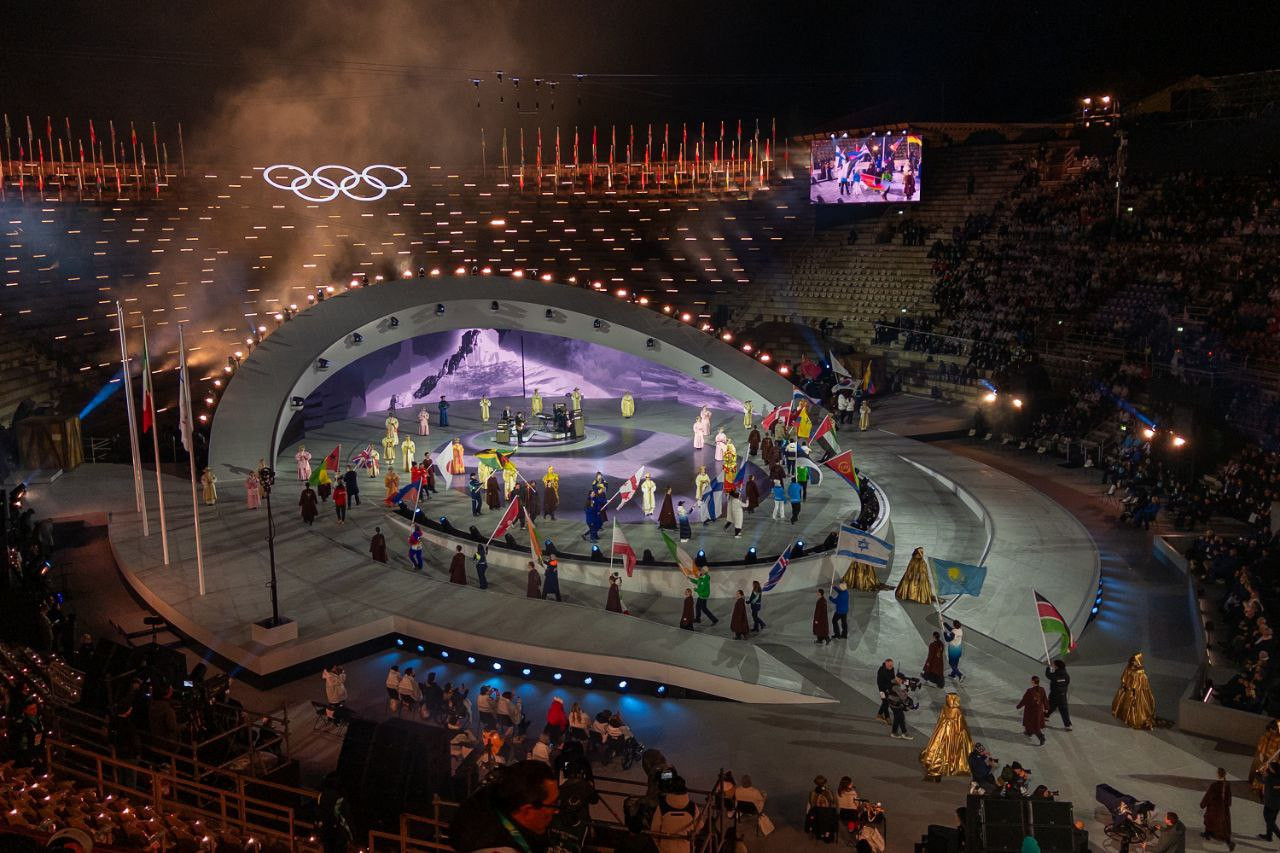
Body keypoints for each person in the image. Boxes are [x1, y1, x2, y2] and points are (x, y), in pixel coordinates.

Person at [449, 760, 560, 853]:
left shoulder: (496, 808)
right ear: (528, 811)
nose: (556, 811)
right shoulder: (496, 847)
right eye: (553, 804)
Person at [920, 693, 974, 781]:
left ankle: (940, 762)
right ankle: (952, 762)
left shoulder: (945, 707)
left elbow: (941, 718)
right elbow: (960, 723)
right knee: (955, 746)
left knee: (941, 744)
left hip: (944, 728)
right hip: (954, 730)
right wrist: (962, 732)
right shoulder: (957, 710)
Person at [1111, 652, 1155, 730]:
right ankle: (1125, 716)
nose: (1134, 662)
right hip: (1128, 689)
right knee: (1125, 703)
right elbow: (1125, 678)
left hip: (1136, 691)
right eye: (1133, 660)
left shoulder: (1140, 672)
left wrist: (1135, 689)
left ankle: (1133, 719)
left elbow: (1142, 683)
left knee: (1135, 706)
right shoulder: (1129, 668)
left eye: (1135, 661)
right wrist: (1125, 686)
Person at [316, 772, 355, 853]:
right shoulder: (340, 799)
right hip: (337, 835)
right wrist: (351, 837)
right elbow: (344, 819)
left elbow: (319, 813)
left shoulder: (321, 795)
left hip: (325, 831)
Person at [1199, 767, 1233, 850]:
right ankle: (1212, 834)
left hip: (1214, 807)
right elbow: (1229, 796)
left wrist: (1202, 804)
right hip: (1223, 807)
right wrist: (1227, 805)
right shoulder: (1227, 784)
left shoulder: (1215, 785)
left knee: (1209, 820)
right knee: (1222, 821)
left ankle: (1207, 834)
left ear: (1218, 775)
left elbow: (1208, 796)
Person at [1017, 676, 1048, 745]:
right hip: (1039, 710)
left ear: (1033, 682)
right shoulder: (1042, 689)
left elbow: (1024, 700)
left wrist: (1019, 706)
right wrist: (1046, 708)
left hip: (1031, 710)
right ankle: (1029, 732)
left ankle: (1041, 737)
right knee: (1032, 722)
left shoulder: (1030, 691)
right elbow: (1045, 699)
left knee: (1034, 724)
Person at [806, 775, 837, 842]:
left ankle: (818, 833)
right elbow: (833, 803)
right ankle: (827, 834)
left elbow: (811, 804)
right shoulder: (829, 792)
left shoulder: (812, 793)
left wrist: (808, 813)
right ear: (825, 783)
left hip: (816, 814)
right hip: (828, 814)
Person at [1045, 660, 1071, 729]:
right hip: (1062, 695)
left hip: (1054, 695)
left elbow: (1048, 675)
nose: (1052, 666)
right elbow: (1067, 682)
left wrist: (1048, 667)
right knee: (1064, 710)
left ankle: (1045, 716)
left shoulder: (1055, 675)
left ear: (1057, 667)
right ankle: (1068, 725)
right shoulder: (1066, 675)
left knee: (1050, 706)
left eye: (1053, 665)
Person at [1261, 761, 1280, 843]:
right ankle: (1269, 836)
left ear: (1273, 770)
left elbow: (1261, 779)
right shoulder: (1275, 776)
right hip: (1277, 803)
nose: (1269, 768)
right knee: (1272, 819)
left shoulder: (1270, 779)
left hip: (1270, 803)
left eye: (1270, 767)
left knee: (1269, 820)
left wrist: (1258, 771)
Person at [876, 659, 898, 723]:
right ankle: (886, 717)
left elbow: (892, 678)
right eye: (889, 665)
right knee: (885, 702)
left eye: (892, 664)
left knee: (886, 702)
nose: (891, 666)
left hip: (889, 689)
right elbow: (880, 682)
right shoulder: (881, 671)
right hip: (882, 690)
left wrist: (895, 682)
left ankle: (880, 715)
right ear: (885, 664)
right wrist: (887, 688)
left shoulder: (892, 669)